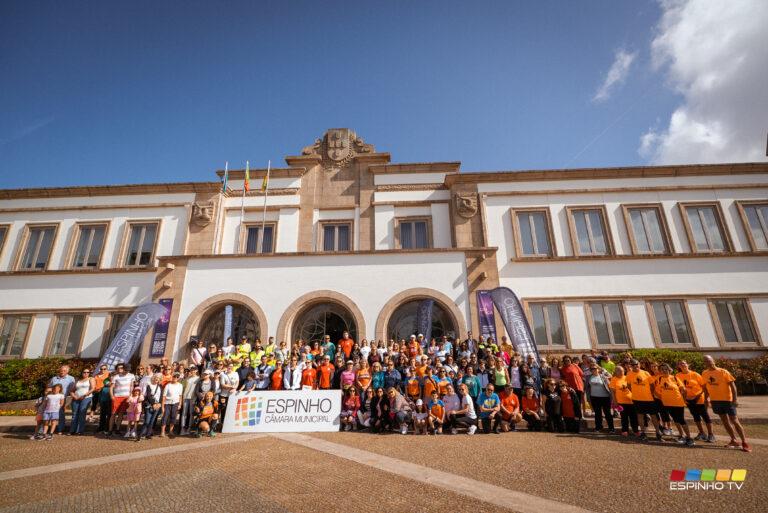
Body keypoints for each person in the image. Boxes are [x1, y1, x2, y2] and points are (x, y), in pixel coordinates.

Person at [701, 355, 750, 452]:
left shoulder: (723, 371)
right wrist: (706, 399)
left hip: (728, 400)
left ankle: (744, 442)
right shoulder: (704, 373)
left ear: (713, 361)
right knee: (724, 421)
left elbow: (733, 386)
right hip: (715, 401)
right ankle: (733, 440)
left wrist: (735, 400)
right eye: (706, 361)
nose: (708, 362)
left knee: (735, 421)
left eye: (709, 360)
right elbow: (706, 387)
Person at [655, 363, 694, 446]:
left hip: (678, 403)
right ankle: (681, 435)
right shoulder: (659, 379)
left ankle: (689, 438)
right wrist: (662, 398)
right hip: (667, 404)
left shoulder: (675, 378)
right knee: (675, 420)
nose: (664, 370)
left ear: (669, 370)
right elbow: (656, 392)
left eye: (666, 369)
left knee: (681, 420)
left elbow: (683, 390)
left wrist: (683, 400)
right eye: (662, 369)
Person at [676, 360, 715, 443]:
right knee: (696, 417)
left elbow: (704, 387)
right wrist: (684, 399)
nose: (682, 365)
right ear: (678, 366)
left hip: (699, 398)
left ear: (688, 364)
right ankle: (702, 433)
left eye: (684, 363)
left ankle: (711, 435)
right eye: (680, 364)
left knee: (705, 416)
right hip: (688, 400)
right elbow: (678, 388)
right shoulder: (677, 376)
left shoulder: (695, 374)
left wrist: (705, 398)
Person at [625, 359, 662, 441]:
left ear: (639, 364)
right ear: (631, 366)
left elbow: (652, 385)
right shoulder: (629, 374)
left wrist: (650, 394)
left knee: (653, 416)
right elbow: (629, 386)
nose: (635, 366)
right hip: (637, 399)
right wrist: (635, 393)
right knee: (640, 416)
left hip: (649, 399)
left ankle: (658, 431)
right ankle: (643, 432)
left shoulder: (645, 373)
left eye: (636, 364)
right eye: (633, 365)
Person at [609, 366, 638, 436]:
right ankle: (625, 430)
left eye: (622, 371)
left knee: (633, 417)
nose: (621, 372)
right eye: (619, 371)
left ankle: (636, 430)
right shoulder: (614, 379)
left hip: (631, 401)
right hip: (621, 402)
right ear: (615, 372)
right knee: (624, 417)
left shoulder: (627, 377)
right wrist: (615, 401)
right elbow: (612, 392)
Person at [108, 363, 135, 436]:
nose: (127, 371)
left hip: (126, 397)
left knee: (121, 414)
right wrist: (112, 396)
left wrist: (131, 395)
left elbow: (131, 386)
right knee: (113, 414)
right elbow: (111, 387)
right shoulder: (116, 376)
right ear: (123, 369)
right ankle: (110, 430)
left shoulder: (132, 376)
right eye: (126, 370)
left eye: (128, 370)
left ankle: (117, 429)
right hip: (117, 396)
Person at [585, 364, 614, 433]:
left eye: (595, 368)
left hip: (605, 397)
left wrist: (603, 369)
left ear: (598, 369)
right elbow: (587, 387)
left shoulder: (603, 376)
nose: (593, 370)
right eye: (592, 369)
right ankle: (598, 427)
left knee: (607, 413)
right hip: (594, 397)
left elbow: (611, 376)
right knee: (597, 413)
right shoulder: (589, 377)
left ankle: (611, 428)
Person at [48, 365, 75, 434]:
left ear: (67, 371)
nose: (62, 372)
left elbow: (72, 389)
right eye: (61, 370)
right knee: (50, 413)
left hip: (62, 398)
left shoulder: (71, 378)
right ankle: (48, 429)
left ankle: (60, 429)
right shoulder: (54, 378)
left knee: (61, 413)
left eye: (64, 371)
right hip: (53, 398)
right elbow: (49, 387)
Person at [69, 368, 94, 435]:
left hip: (86, 398)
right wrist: (74, 396)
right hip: (76, 398)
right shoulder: (77, 380)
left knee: (82, 414)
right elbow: (72, 390)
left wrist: (84, 395)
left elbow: (92, 389)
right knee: (74, 414)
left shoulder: (91, 379)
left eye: (87, 372)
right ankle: (72, 430)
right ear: (82, 372)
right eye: (84, 372)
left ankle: (79, 430)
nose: (86, 373)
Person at [140, 374, 163, 440]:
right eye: (156, 378)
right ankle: (142, 434)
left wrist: (159, 403)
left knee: (152, 421)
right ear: (153, 378)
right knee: (147, 420)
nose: (157, 379)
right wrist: (153, 404)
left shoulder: (160, 386)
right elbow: (148, 396)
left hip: (157, 405)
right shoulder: (149, 386)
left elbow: (161, 396)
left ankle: (148, 434)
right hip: (150, 405)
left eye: (158, 378)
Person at [160, 372, 183, 437]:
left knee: (173, 417)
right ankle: (162, 432)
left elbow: (180, 395)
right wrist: (162, 406)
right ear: (172, 377)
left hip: (176, 403)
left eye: (177, 377)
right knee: (165, 417)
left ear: (178, 378)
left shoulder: (180, 385)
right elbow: (164, 396)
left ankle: (171, 431)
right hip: (167, 403)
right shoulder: (168, 385)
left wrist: (180, 404)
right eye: (174, 376)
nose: (175, 378)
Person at [180, 367, 199, 435]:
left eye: (194, 370)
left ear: (196, 371)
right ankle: (182, 428)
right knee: (184, 413)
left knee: (191, 414)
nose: (193, 371)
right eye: (192, 370)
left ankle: (189, 428)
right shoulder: (187, 378)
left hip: (193, 398)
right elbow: (183, 388)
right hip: (185, 397)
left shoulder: (198, 378)